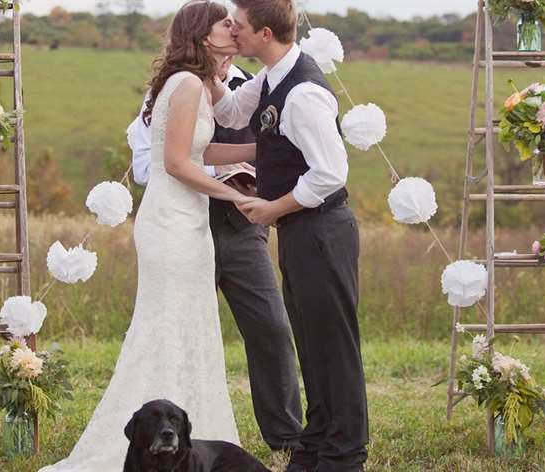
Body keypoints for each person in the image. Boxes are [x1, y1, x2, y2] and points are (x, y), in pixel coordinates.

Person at [39, 3, 257, 470]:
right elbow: (178, 163)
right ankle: (155, 435)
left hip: (188, 218)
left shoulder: (195, 83)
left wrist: (263, 149)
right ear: (202, 34)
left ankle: (183, 438)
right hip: (171, 220)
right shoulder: (184, 84)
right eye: (225, 24)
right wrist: (236, 196)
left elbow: (199, 146)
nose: (233, 30)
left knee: (189, 324)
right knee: (167, 325)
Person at [211, 0, 369, 471]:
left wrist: (270, 209)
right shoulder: (272, 77)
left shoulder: (301, 93)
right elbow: (234, 108)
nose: (232, 33)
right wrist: (209, 66)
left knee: (334, 346)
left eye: (237, 27)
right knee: (310, 339)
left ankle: (345, 454)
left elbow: (330, 174)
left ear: (263, 33)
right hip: (301, 232)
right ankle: (317, 442)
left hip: (323, 231)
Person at [127, 56, 303, 453]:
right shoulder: (168, 91)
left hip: (242, 231)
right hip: (185, 228)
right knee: (179, 332)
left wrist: (258, 179)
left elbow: (273, 155)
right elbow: (146, 164)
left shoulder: (256, 92)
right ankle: (165, 435)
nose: (227, 53)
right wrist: (214, 173)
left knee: (271, 328)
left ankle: (287, 437)